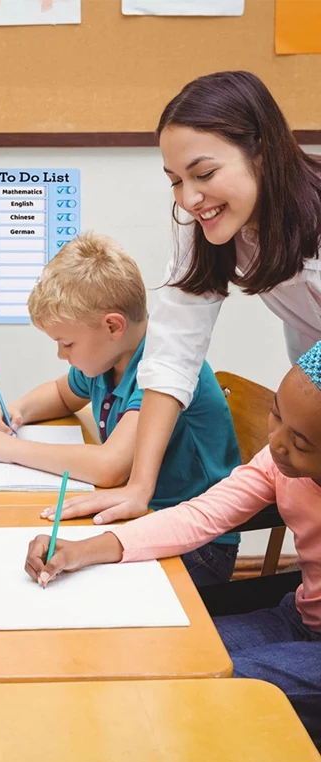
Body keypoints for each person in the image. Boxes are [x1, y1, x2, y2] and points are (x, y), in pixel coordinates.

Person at [25, 340, 321, 747]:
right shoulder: (277, 463)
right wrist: (83, 549)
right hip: (300, 618)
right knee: (162, 654)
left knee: (205, 685)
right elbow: (201, 515)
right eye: (275, 416)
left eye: (301, 442)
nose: (277, 443)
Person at [58, 71, 321, 526]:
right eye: (175, 180)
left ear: (262, 152)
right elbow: (172, 353)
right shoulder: (204, 228)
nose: (190, 198)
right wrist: (140, 487)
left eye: (203, 173)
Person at [0, 233, 241, 585]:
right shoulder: (108, 359)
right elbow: (62, 394)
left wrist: (12, 450)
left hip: (199, 545)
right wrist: (19, 410)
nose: (62, 355)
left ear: (112, 326)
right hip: (139, 522)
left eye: (67, 343)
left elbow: (110, 468)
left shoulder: (163, 368)